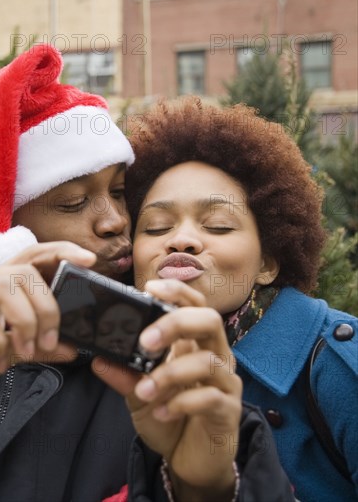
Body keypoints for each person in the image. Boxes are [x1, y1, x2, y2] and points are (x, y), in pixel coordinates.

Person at [0, 45, 293, 501]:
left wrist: (205, 485)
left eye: (121, 193)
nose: (115, 221)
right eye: (72, 202)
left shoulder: (159, 371)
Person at [124, 97, 358, 501]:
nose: (180, 239)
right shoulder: (119, 367)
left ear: (268, 262)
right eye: (156, 227)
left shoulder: (339, 365)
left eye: (217, 225)